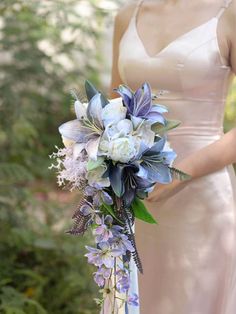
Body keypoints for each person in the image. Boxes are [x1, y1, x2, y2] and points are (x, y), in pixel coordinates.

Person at [102, 0, 236, 313]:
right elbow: (114, 106)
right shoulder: (127, 16)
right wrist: (100, 164)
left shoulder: (228, 12)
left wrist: (178, 175)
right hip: (133, 193)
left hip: (201, 200)